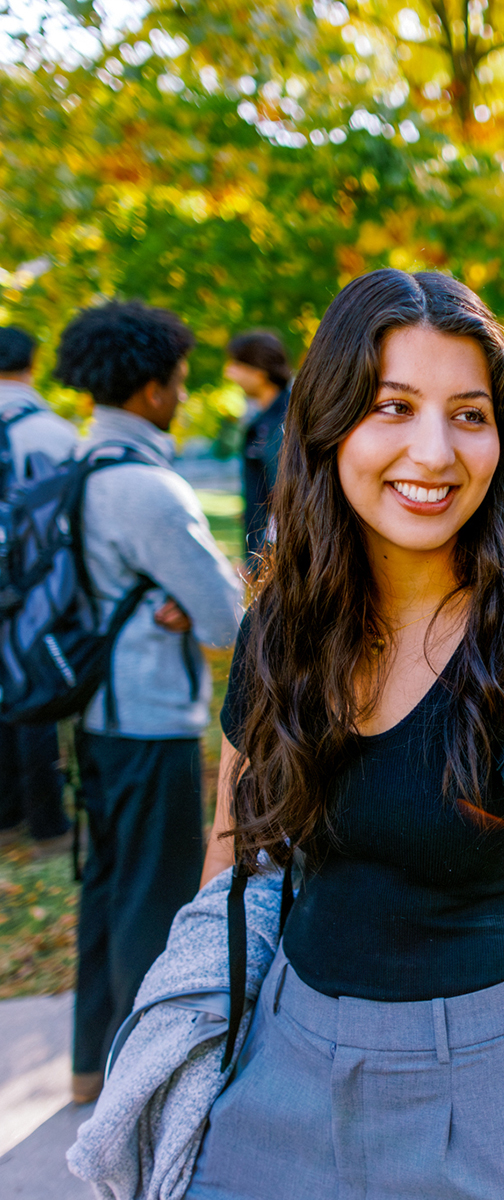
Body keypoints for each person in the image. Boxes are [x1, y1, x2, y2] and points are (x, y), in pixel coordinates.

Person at [188, 269, 504, 1200]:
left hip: (493, 1097)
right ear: (330, 425)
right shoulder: (281, 629)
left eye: (468, 413)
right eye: (393, 406)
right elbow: (232, 863)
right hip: (277, 1078)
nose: (435, 450)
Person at [53, 302, 244, 1106]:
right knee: (152, 894)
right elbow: (228, 618)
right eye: (178, 382)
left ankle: (87, 1066)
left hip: (92, 712)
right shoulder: (151, 491)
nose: (183, 396)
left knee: (106, 883)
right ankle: (144, 1078)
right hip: (151, 714)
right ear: (152, 389)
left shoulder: (75, 467)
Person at [0, 325, 78, 856]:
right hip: (33, 588)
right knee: (33, 689)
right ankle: (47, 822)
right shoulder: (54, 432)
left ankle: (5, 814)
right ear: (33, 362)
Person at [223, 330, 292, 559]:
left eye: (237, 365)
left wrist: (265, 557)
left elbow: (288, 498)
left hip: (281, 556)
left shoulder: (289, 420)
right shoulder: (260, 420)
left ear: (259, 371)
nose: (229, 372)